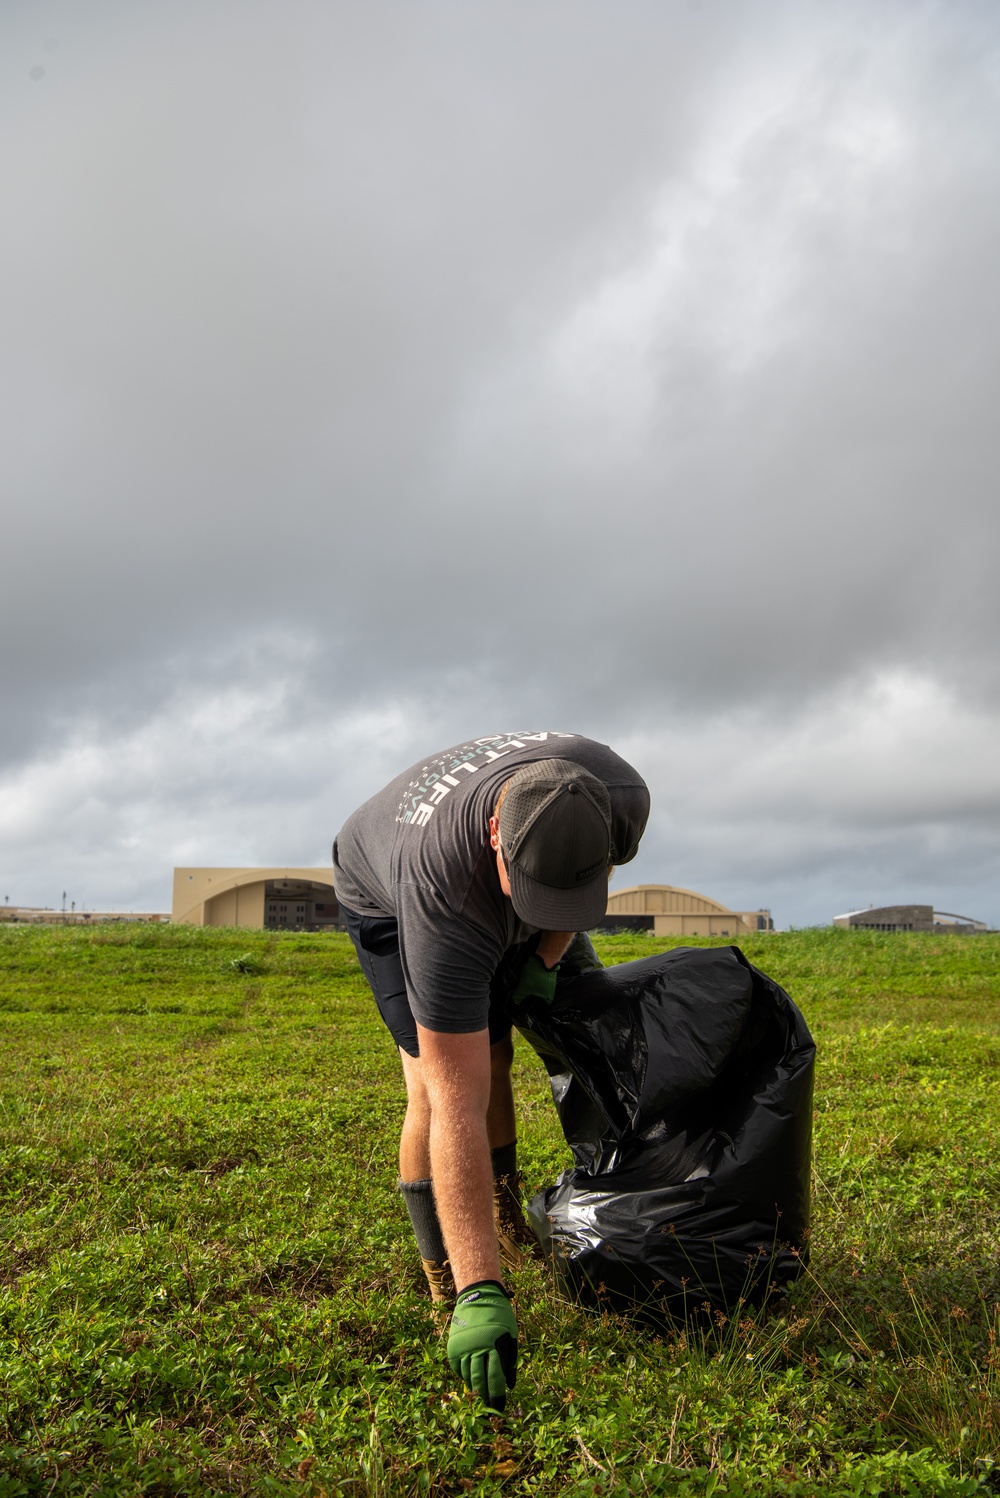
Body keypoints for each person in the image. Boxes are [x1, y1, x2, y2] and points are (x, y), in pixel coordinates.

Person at [332, 732, 650, 1410]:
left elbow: (581, 877)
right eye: (531, 894)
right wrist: (485, 1288)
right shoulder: (440, 892)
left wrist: (543, 957)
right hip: (383, 892)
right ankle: (448, 1271)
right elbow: (457, 1101)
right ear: (497, 836)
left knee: (498, 1052)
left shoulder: (617, 795)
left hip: (492, 863)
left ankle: (505, 1208)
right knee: (437, 1082)